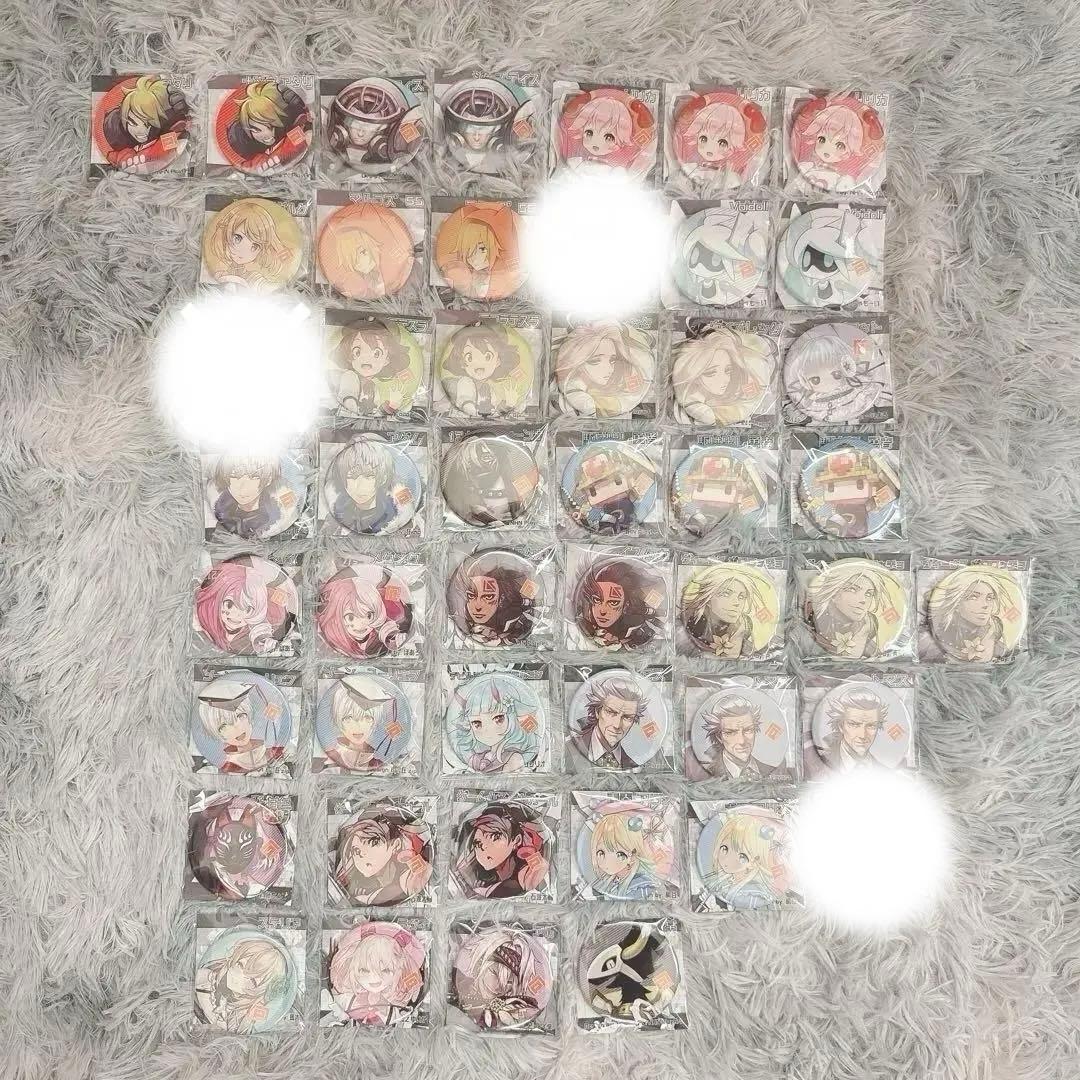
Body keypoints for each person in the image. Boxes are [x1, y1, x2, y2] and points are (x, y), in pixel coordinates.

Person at [328, 922, 425, 1026]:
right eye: (364, 970)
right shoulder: (347, 999)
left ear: (398, 969)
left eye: (386, 970)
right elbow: (331, 1002)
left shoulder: (394, 1009)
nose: (374, 977)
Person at [333, 805, 433, 905]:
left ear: (395, 845)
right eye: (356, 850)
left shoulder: (408, 879)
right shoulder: (353, 886)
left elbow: (420, 880)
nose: (363, 854)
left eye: (374, 842)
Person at [195, 933, 292, 1033]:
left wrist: (248, 1019)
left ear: (259, 991)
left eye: (252, 981)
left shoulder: (239, 1016)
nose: (240, 977)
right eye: (240, 965)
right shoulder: (205, 978)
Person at [447, 673, 542, 774]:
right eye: (477, 723)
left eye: (498, 719)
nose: (487, 731)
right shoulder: (478, 758)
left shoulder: (513, 758)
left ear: (512, 717)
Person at [451, 802, 549, 899]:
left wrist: (531, 855)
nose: (484, 849)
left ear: (516, 840)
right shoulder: (478, 877)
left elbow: (540, 869)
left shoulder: (525, 876)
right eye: (478, 844)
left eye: (495, 837)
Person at [704, 807, 789, 910]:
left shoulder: (754, 892)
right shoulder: (723, 878)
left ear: (755, 861)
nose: (727, 860)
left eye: (742, 857)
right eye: (725, 848)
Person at [574, 557, 665, 650]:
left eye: (613, 602)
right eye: (597, 600)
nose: (602, 611)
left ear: (626, 604)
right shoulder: (583, 622)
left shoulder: (639, 626)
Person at [696, 694, 792, 781]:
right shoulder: (702, 774)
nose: (742, 741)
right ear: (719, 737)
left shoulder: (773, 770)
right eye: (731, 732)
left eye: (748, 730)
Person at [570, 673, 648, 769]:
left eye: (627, 717)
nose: (617, 725)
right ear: (597, 712)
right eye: (611, 712)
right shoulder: (567, 748)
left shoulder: (633, 765)